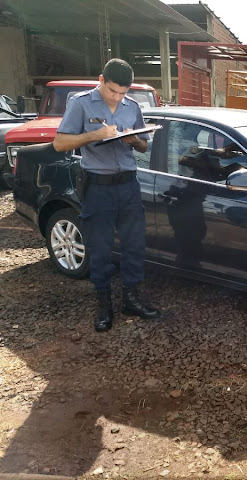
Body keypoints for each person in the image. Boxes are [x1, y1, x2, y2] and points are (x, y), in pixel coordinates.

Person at [53, 58, 160, 332]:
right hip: (98, 187)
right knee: (100, 247)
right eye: (113, 90)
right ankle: (104, 305)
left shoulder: (132, 107)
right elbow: (60, 142)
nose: (117, 96)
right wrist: (94, 135)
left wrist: (133, 139)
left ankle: (131, 299)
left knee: (134, 245)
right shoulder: (81, 103)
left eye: (123, 92)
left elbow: (144, 146)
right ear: (101, 80)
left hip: (128, 186)